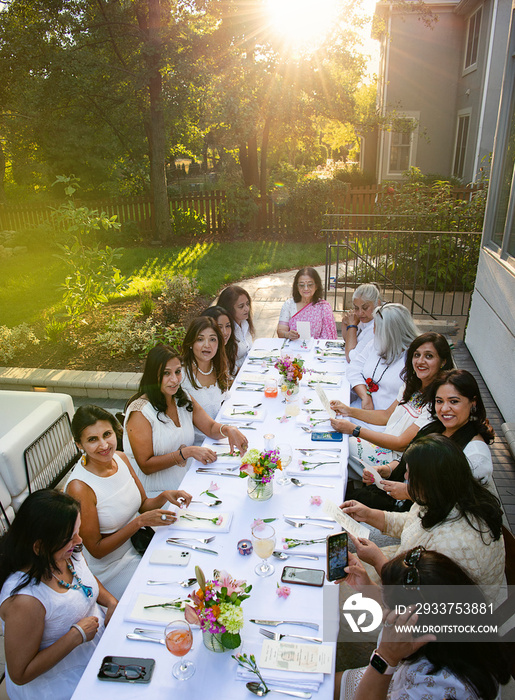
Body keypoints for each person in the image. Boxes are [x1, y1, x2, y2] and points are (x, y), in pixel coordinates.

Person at [339, 434, 505, 599]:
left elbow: (416, 601)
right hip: (408, 568)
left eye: (409, 473)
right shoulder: (446, 496)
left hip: (433, 610)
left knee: (337, 591)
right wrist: (368, 514)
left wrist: (377, 560)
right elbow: (412, 521)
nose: (405, 477)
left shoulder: (454, 546)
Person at [335, 548, 510, 700]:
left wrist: (385, 657)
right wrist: (367, 588)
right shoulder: (456, 624)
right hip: (395, 676)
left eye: (388, 603)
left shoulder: (441, 688)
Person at [0, 489, 118, 700]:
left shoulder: (67, 552)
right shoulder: (25, 601)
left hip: (98, 649)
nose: (79, 540)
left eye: (77, 531)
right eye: (70, 537)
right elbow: (20, 673)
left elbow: (85, 580)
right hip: (60, 682)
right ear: (40, 547)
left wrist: (111, 602)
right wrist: (76, 636)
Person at [66, 405, 193, 599]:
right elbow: (97, 550)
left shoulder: (121, 458)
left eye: (107, 434)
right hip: (112, 568)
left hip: (140, 544)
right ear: (79, 445)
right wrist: (139, 522)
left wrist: (164, 496)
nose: (104, 445)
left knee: (189, 566)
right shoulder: (80, 488)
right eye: (92, 439)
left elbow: (143, 505)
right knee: (173, 593)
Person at [356, 368, 496, 510]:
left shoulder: (475, 455)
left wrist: (410, 493)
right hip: (399, 504)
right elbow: (410, 461)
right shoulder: (434, 428)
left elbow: (460, 509)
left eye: (454, 401)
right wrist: (386, 469)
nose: (445, 408)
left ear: (473, 403)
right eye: (439, 401)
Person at [123, 344, 248, 496]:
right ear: (152, 375)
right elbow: (146, 465)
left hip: (188, 479)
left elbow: (209, 427)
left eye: (177, 372)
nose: (174, 380)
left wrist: (229, 430)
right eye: (166, 373)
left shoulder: (182, 398)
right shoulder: (140, 412)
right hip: (156, 493)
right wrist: (186, 452)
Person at [329, 333, 454, 480]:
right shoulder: (412, 385)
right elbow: (386, 416)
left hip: (399, 462)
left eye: (429, 356)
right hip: (386, 446)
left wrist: (354, 430)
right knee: (337, 441)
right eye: (416, 355)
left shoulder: (439, 401)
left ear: (443, 361)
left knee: (340, 448)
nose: (420, 361)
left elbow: (401, 444)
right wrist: (348, 411)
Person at [346, 303, 418, 418]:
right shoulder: (376, 343)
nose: (373, 332)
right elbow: (353, 368)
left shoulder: (414, 359)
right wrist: (365, 396)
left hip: (386, 421)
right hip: (362, 409)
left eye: (376, 328)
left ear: (391, 332)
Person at [181, 316, 230, 445]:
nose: (207, 345)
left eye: (212, 339)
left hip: (221, 435)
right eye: (200, 339)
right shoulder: (181, 376)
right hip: (197, 446)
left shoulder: (219, 367)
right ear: (191, 343)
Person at [276, 267, 337, 340]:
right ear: (297, 286)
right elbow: (280, 331)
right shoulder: (289, 304)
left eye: (310, 285)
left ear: (316, 286)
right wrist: (288, 334)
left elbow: (328, 337)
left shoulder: (323, 307)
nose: (306, 289)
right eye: (302, 285)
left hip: (316, 349)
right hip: (293, 348)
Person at [341, 283, 382, 362]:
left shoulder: (376, 326)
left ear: (377, 304)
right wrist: (345, 323)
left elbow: (350, 358)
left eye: (365, 308)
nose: (360, 313)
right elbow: (348, 341)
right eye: (356, 308)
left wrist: (351, 326)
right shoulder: (364, 320)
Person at [217, 285, 255, 370]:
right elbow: (224, 365)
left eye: (247, 304)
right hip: (236, 375)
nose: (246, 309)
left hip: (250, 367)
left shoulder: (245, 323)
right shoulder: (225, 331)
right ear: (229, 309)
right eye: (241, 306)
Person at [201, 305, 238, 378]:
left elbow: (234, 371)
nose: (225, 332)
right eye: (219, 327)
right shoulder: (205, 356)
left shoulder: (225, 349)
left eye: (228, 326)